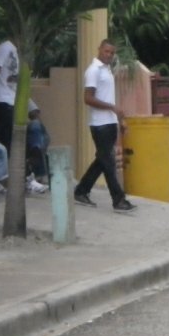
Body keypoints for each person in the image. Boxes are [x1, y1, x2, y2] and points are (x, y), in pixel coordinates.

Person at [73, 39, 134, 211]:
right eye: (106, 51)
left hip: (109, 122)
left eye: (112, 52)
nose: (109, 55)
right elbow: (88, 98)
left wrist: (119, 119)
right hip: (100, 124)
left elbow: (108, 97)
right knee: (108, 162)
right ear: (99, 49)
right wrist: (112, 107)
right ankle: (118, 200)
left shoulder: (106, 70)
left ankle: (81, 190)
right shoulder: (93, 71)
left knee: (102, 160)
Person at [26, 99, 51, 187]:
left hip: (31, 132)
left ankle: (36, 150)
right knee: (38, 141)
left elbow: (35, 114)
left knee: (36, 125)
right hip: (16, 134)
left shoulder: (19, 95)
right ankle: (40, 175)